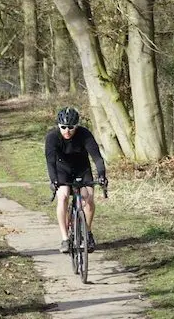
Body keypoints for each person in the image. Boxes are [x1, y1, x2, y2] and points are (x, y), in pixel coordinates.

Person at [45, 107, 108, 253]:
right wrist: (54, 180)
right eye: (64, 127)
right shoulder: (52, 137)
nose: (67, 131)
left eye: (71, 127)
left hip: (82, 168)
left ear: (77, 126)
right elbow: (50, 161)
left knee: (88, 197)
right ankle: (65, 239)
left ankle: (88, 232)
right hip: (62, 170)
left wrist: (102, 175)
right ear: (58, 125)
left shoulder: (84, 135)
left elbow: (97, 158)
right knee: (63, 195)